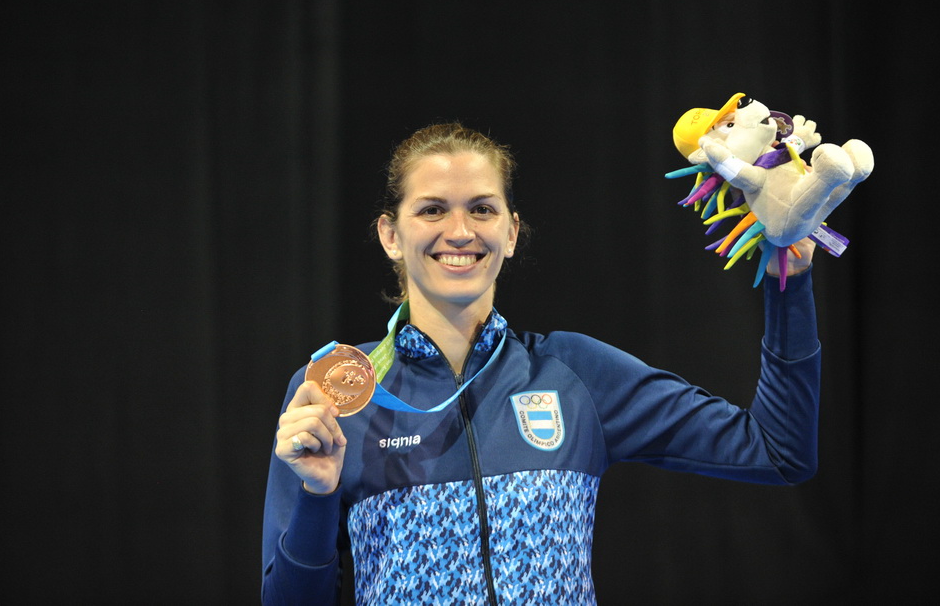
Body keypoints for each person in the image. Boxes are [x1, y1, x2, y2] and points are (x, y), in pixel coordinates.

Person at [261, 122, 821, 605]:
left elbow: (779, 451)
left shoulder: (573, 372)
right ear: (390, 234)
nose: (459, 231)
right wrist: (316, 495)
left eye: (482, 209)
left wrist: (789, 282)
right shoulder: (338, 392)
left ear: (510, 232)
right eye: (432, 209)